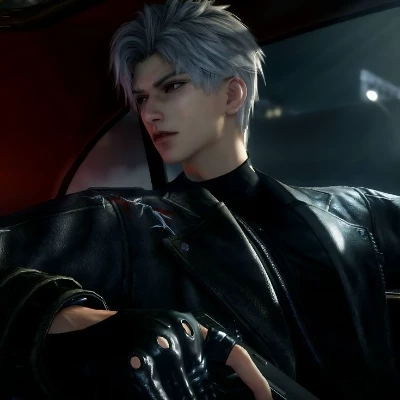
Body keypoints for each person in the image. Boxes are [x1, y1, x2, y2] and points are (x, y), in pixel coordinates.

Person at [0, 0, 399, 399]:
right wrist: (76, 320)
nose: (149, 114)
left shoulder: (355, 209)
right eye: (142, 98)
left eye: (171, 87)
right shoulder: (124, 222)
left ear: (232, 94)